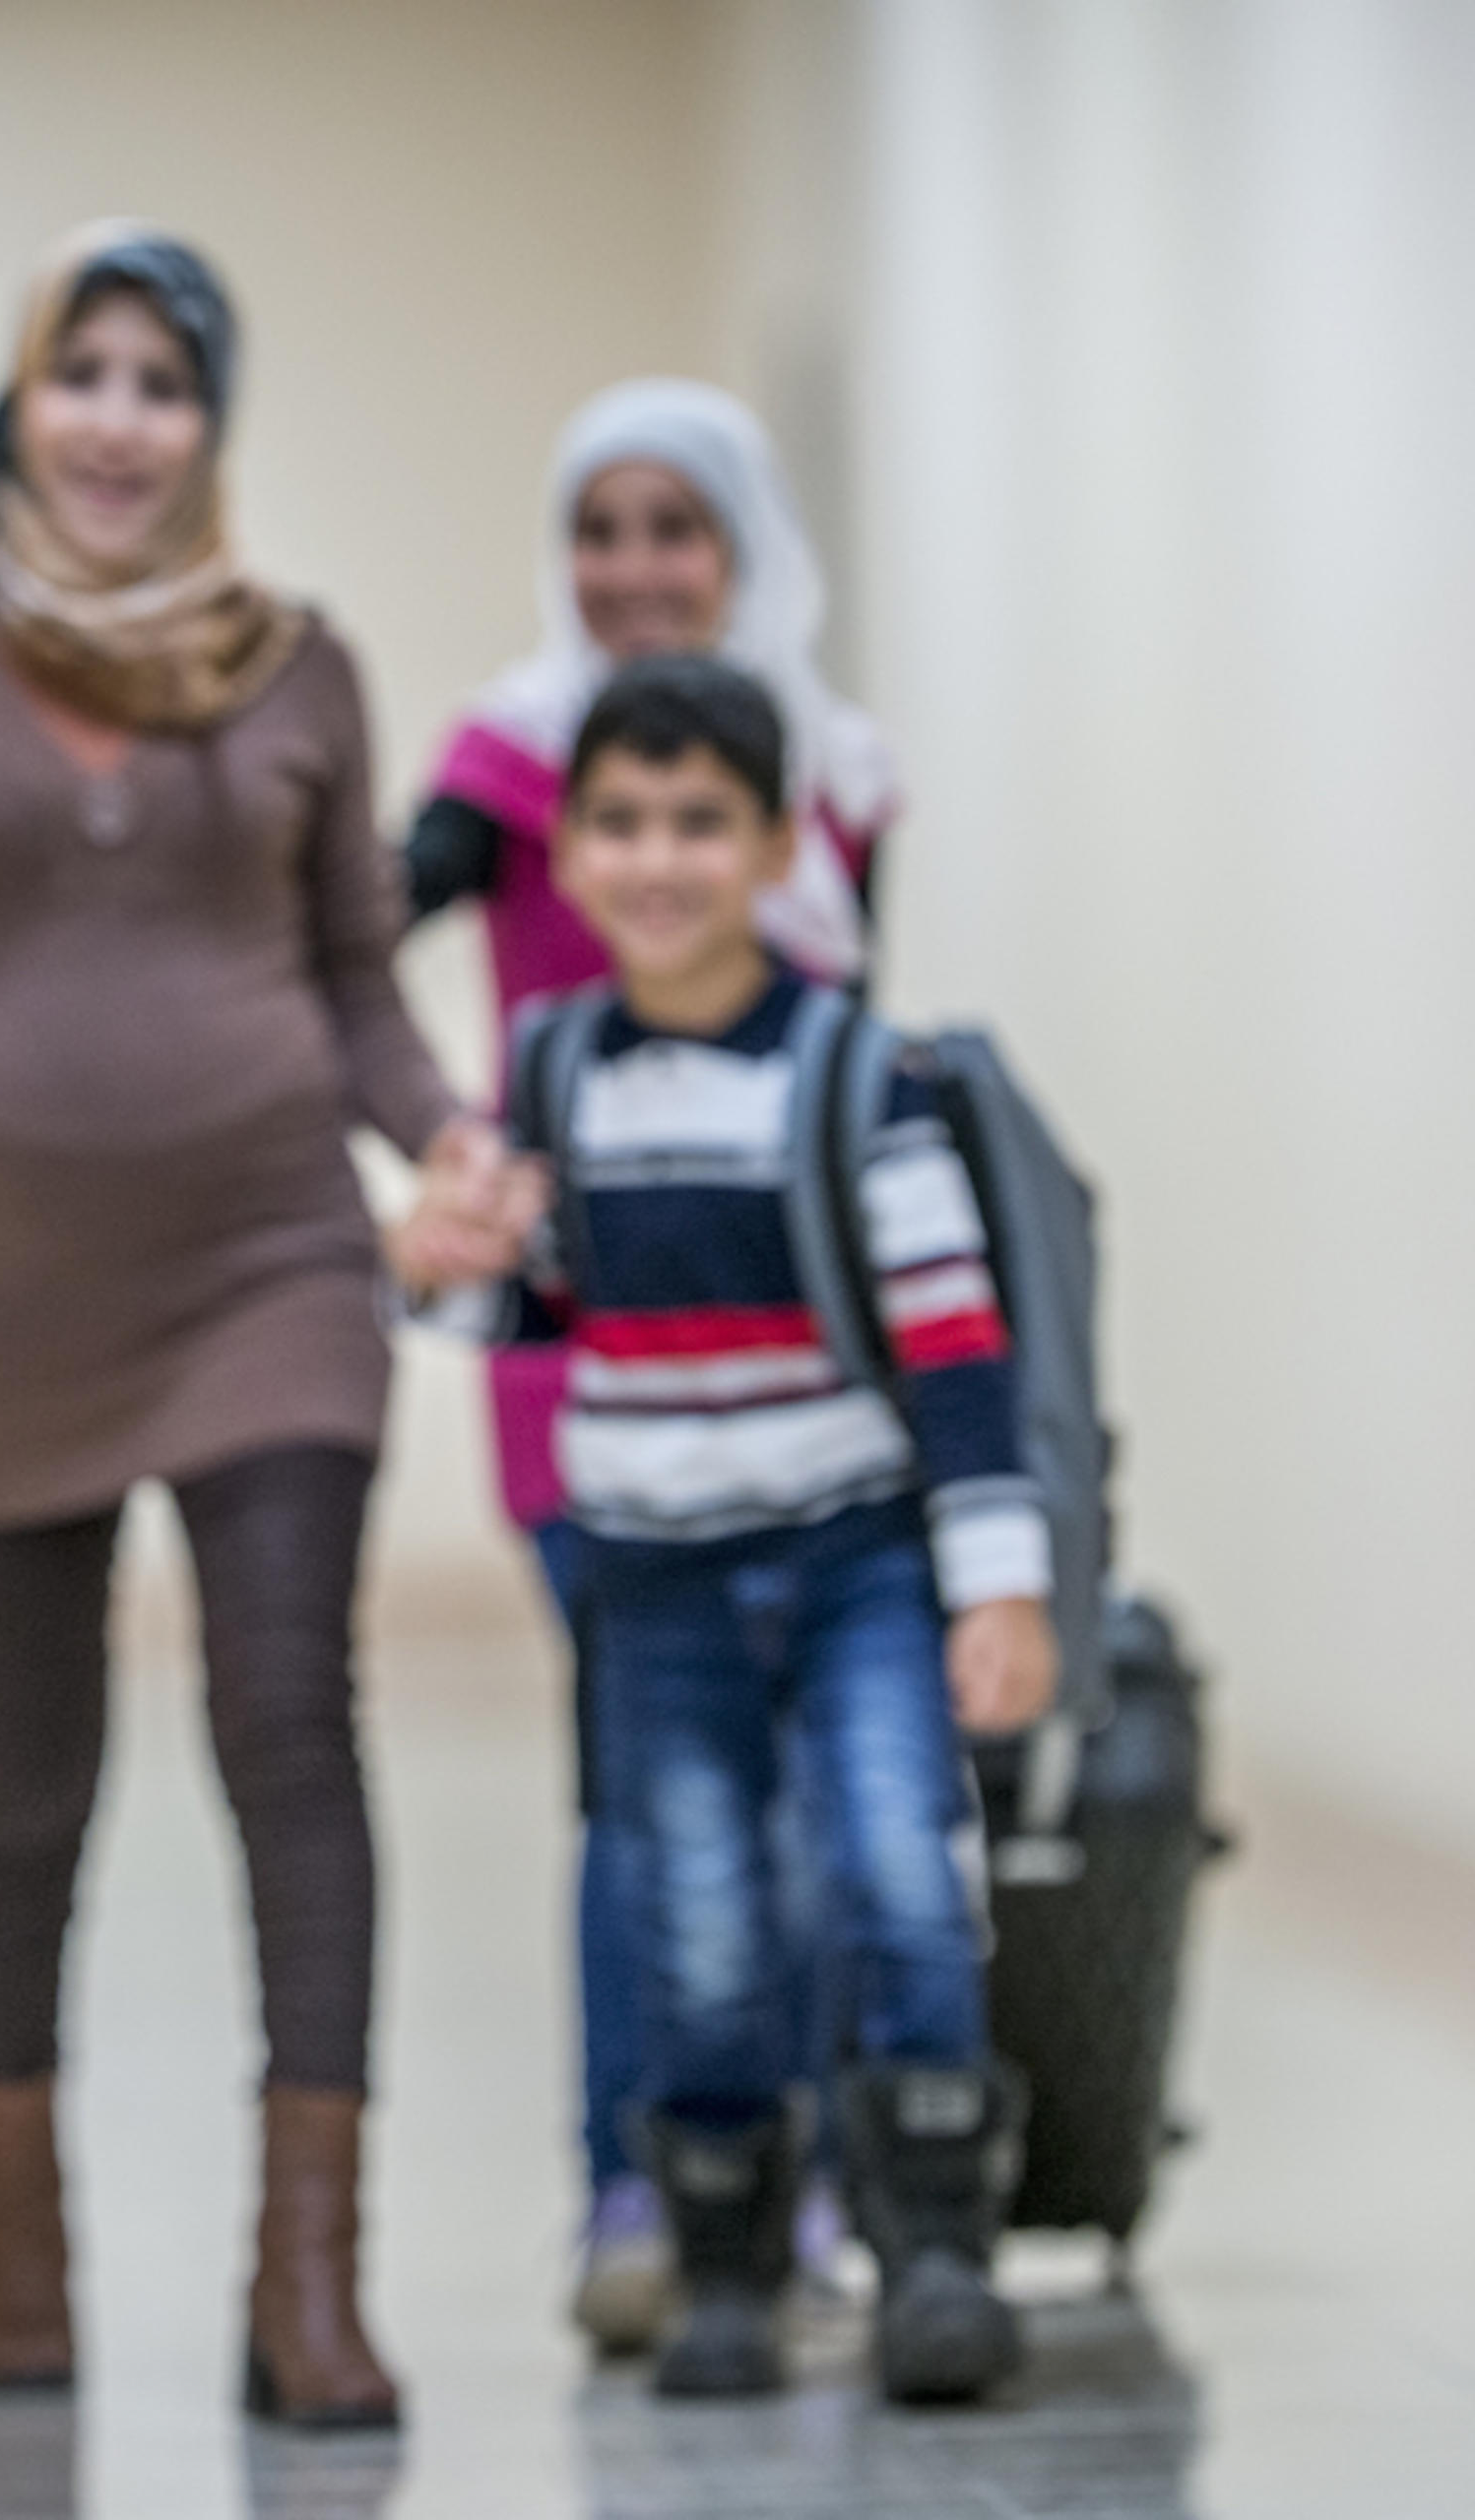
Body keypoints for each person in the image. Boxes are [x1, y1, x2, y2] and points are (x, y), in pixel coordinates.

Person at [0, 222, 495, 2426]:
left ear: (208, 425)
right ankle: (21, 2240)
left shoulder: (299, 663)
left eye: (162, 382)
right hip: (2, 1293)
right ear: (25, 403)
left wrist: (446, 1131)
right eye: (80, 373)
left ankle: (310, 2277)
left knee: (292, 1715)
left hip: (276, 1260)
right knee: (27, 1779)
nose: (116, 419)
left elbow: (360, 970)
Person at [389, 656, 1055, 2405]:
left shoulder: (856, 1072)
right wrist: (437, 1273)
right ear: (572, 855)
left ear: (780, 848)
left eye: (704, 822)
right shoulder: (554, 1069)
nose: (660, 856)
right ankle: (729, 2267)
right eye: (620, 821)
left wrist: (998, 1588)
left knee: (903, 1880)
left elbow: (957, 1350)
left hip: (856, 1565)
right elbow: (536, 1308)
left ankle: (930, 2254)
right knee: (692, 1913)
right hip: (654, 1581)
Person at [396, 380, 901, 2353]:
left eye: (671, 527)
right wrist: (446, 1146)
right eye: (595, 529)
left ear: (747, 543)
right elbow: (344, 942)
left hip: (817, 1363)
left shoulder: (840, 775)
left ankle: (823, 2185)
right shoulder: (513, 761)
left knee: (831, 1791)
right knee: (648, 1788)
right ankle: (639, 2179)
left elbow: (871, 1053)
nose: (631, 569)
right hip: (594, 1354)